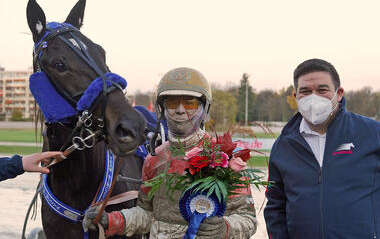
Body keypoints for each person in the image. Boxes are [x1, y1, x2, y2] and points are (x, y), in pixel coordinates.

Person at [83, 67, 257, 238]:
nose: (180, 110)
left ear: (205, 109)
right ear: (161, 108)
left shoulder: (224, 158)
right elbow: (147, 215)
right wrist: (111, 220)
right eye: (172, 103)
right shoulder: (154, 159)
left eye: (190, 103)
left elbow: (247, 220)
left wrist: (224, 229)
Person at [264, 58, 380, 238]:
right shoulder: (283, 145)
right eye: (305, 92)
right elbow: (275, 205)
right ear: (296, 97)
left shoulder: (372, 133)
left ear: (339, 93)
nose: (313, 97)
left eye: (322, 90)